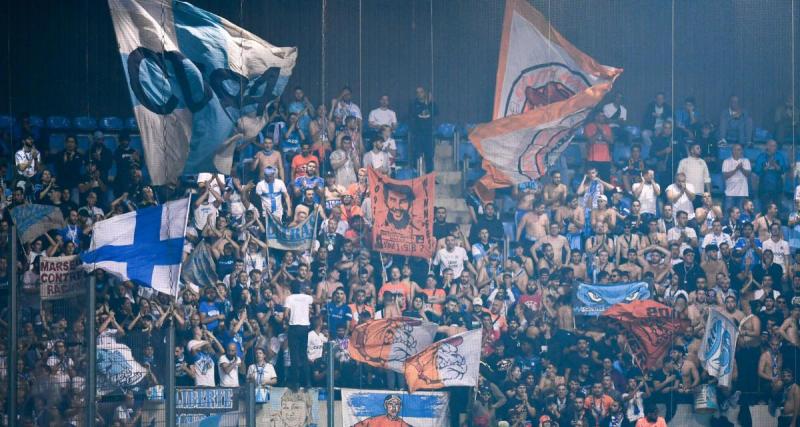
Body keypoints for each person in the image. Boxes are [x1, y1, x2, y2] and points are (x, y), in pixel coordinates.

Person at [285, 282, 313, 388]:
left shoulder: (289, 298)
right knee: (303, 355)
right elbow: (321, 300)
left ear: (291, 289)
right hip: (304, 328)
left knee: (294, 356)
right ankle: (307, 382)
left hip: (294, 328)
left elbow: (285, 314)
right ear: (301, 289)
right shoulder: (306, 297)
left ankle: (295, 383)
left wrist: (288, 321)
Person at [410, 86, 436, 173]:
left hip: (428, 134)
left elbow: (436, 112)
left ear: (424, 93)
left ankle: (430, 177)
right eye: (417, 92)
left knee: (429, 156)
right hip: (418, 134)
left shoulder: (430, 104)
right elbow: (414, 114)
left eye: (421, 92)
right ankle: (416, 175)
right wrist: (425, 104)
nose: (419, 94)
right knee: (416, 155)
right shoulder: (414, 104)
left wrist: (431, 102)